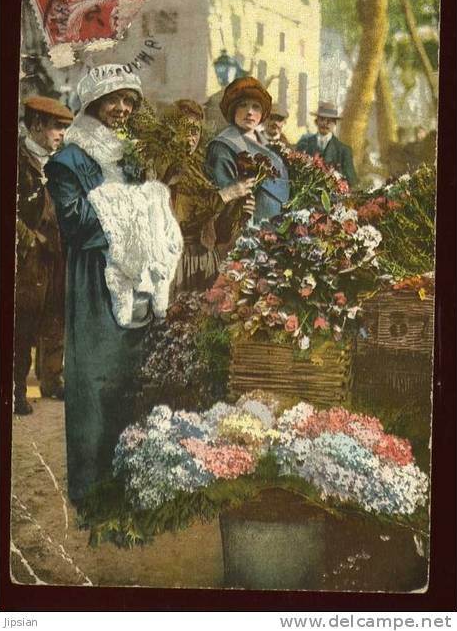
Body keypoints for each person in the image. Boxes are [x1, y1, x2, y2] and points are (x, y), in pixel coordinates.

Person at [45, 64, 181, 504]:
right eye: (113, 99)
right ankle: (92, 485)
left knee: (130, 375)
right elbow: (76, 223)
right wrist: (131, 212)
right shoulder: (69, 159)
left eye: (129, 101)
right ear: (93, 102)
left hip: (135, 273)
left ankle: (127, 477)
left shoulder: (132, 155)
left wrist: (147, 209)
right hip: (94, 279)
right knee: (95, 377)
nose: (122, 108)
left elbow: (149, 207)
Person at [14, 96, 73, 415]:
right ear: (36, 125)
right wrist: (28, 237)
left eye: (64, 127)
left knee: (55, 314)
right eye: (56, 127)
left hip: (56, 250)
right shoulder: (16, 157)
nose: (61, 134)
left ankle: (52, 378)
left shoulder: (59, 161)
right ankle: (14, 389)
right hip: (28, 255)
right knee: (22, 320)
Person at [161, 99, 255, 293]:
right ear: (171, 132)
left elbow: (219, 234)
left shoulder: (202, 170)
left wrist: (237, 209)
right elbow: (182, 221)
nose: (190, 138)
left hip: (205, 261)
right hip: (180, 262)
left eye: (195, 131)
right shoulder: (167, 169)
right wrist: (225, 195)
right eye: (184, 130)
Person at [205, 77, 290, 223]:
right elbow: (219, 198)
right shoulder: (222, 148)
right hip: (243, 229)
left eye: (256, 106)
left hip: (276, 226)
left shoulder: (267, 144)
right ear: (233, 110)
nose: (250, 112)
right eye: (243, 105)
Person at [296, 101, 357, 187]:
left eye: (330, 121)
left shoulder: (343, 150)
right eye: (322, 119)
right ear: (316, 121)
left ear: (335, 124)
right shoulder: (304, 144)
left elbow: (352, 181)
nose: (325, 123)